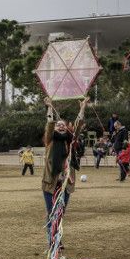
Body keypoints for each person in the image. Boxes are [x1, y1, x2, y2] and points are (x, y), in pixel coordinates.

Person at [42, 97, 88, 236]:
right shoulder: (49, 140)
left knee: (60, 213)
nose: (61, 126)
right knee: (52, 213)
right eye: (58, 125)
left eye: (63, 125)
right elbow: (50, 123)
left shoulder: (71, 141)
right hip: (51, 184)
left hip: (66, 184)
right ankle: (52, 242)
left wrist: (83, 107)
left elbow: (78, 124)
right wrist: (50, 107)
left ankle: (57, 239)